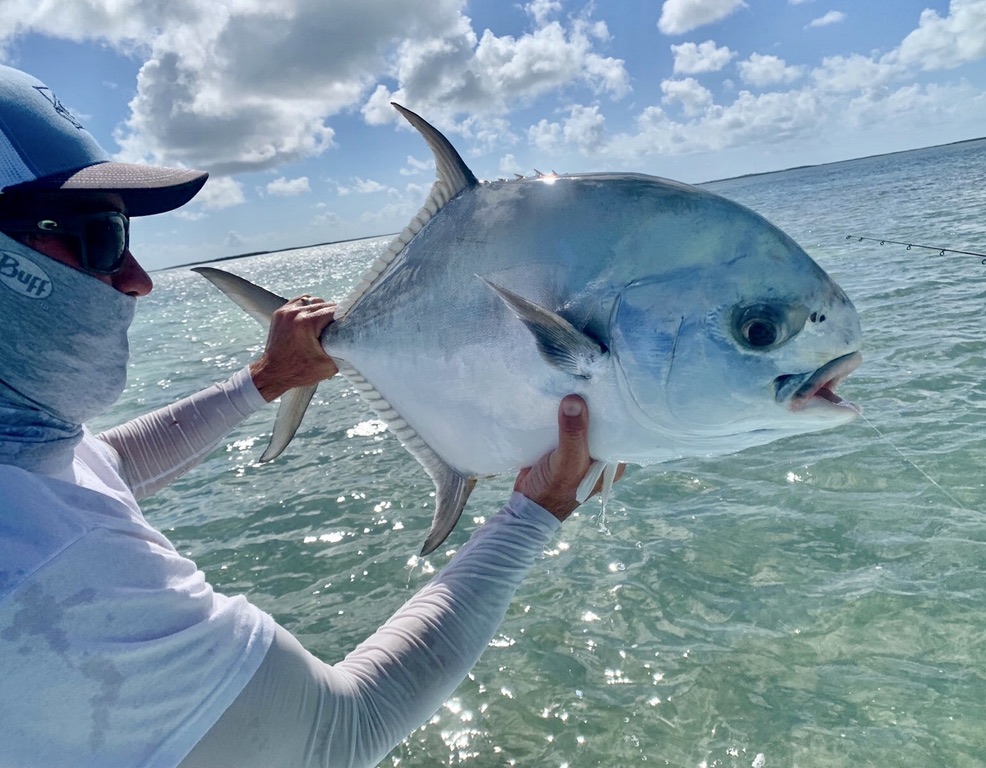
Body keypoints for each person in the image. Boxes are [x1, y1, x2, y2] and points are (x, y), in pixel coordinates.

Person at [0, 64, 616, 767]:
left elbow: (96, 467)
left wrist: (263, 380)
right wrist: (536, 512)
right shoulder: (43, 583)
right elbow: (336, 734)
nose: (137, 278)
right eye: (98, 235)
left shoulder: (23, 470)